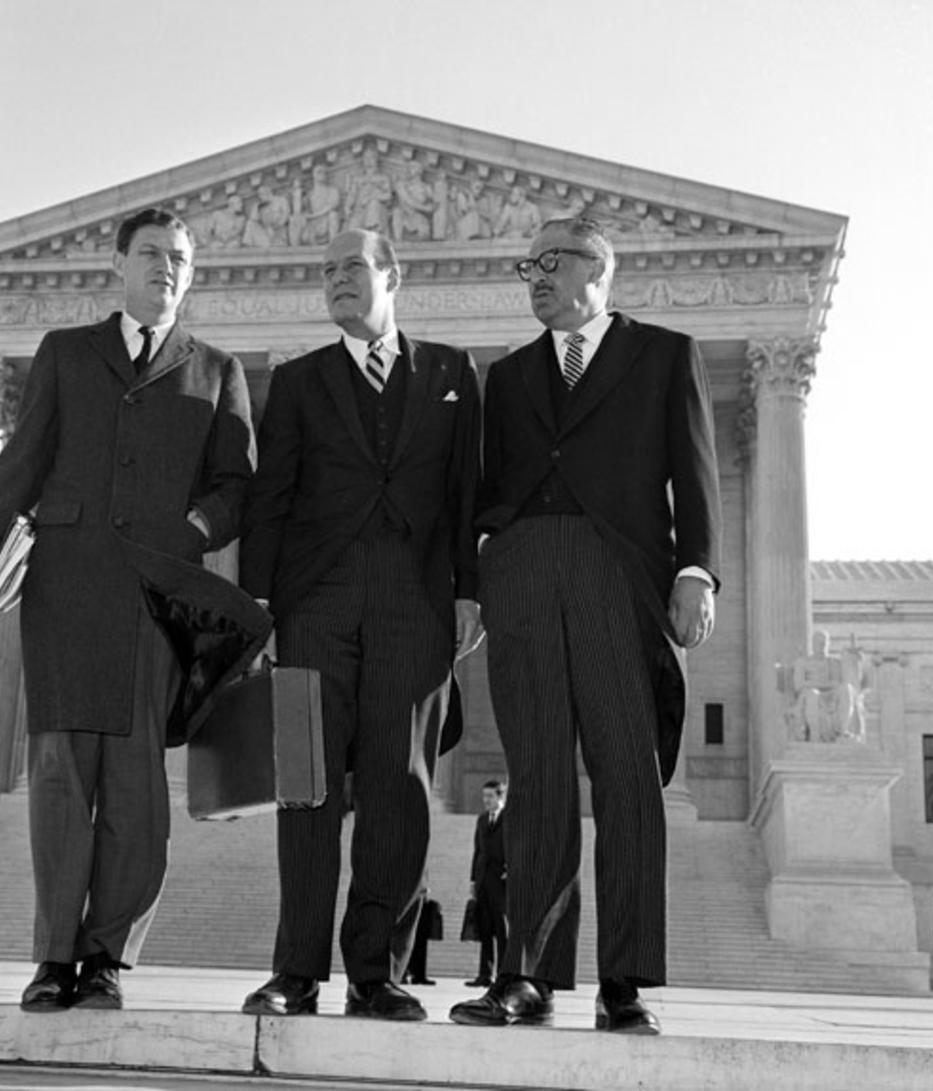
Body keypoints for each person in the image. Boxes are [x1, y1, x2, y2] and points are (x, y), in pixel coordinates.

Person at [0, 208, 268, 1014]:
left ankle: (106, 957)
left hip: (154, 597)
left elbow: (237, 488)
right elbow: (21, 461)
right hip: (66, 583)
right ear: (119, 264)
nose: (168, 266)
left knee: (136, 788)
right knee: (59, 775)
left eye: (182, 258)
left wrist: (190, 531)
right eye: (153, 253)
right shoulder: (65, 353)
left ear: (191, 275)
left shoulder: (218, 368)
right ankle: (54, 956)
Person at [450, 215, 721, 1035]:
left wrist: (696, 570)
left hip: (618, 574)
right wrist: (487, 564)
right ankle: (527, 972)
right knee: (533, 775)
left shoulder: (664, 353)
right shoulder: (511, 373)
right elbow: (491, 485)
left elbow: (695, 467)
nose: (534, 275)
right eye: (527, 265)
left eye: (551, 261)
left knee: (627, 773)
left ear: (598, 268)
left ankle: (624, 981)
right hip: (527, 572)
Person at [240, 229, 483, 1022]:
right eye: (326, 273)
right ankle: (296, 969)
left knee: (400, 788)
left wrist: (468, 592)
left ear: (392, 278)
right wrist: (261, 610)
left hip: (415, 603)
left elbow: (465, 495)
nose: (336, 281)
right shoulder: (301, 380)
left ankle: (378, 971)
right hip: (317, 602)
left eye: (352, 268)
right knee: (305, 787)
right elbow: (270, 498)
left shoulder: (452, 372)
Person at [464, 779, 507, 988]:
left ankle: (504, 975)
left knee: (502, 931)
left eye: (490, 796)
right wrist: (473, 880)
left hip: (502, 884)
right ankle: (485, 975)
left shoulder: (511, 818)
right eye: (484, 796)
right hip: (483, 883)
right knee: (485, 931)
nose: (486, 800)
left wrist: (511, 871)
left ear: (501, 797)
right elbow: (478, 851)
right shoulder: (481, 820)